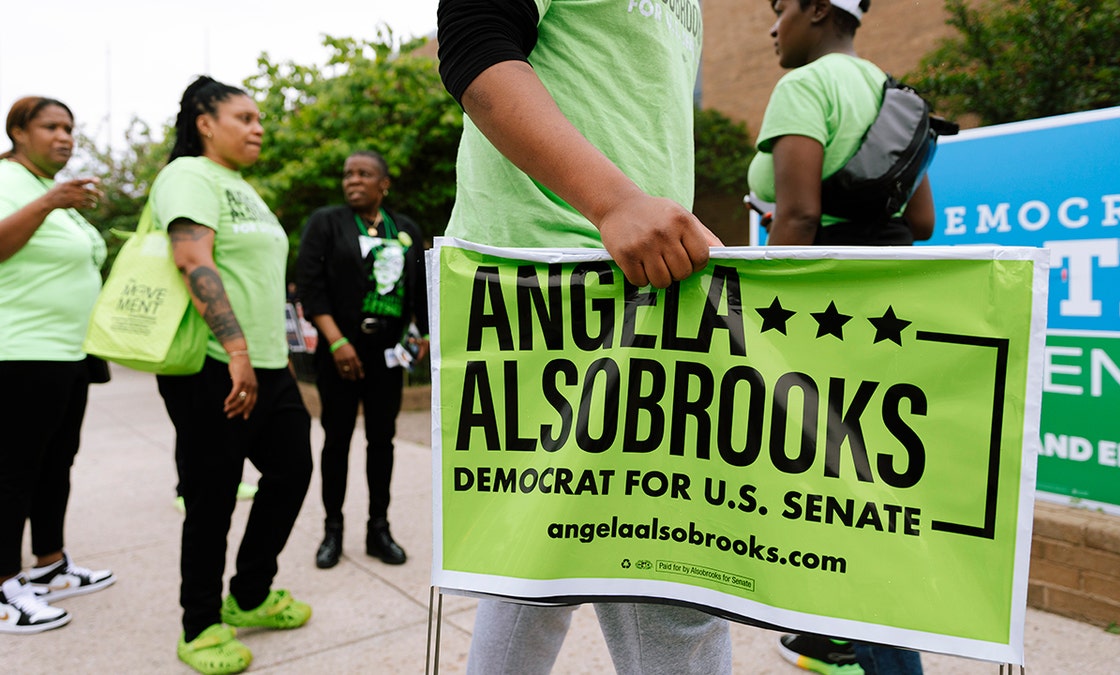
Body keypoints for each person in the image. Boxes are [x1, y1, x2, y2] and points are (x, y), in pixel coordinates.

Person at [437, 0, 730, 673]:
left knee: (535, 563)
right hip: (553, 285)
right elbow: (473, 44)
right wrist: (614, 203)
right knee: (673, 575)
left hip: (639, 290)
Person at [748, 1, 931, 673]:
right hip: (882, 311)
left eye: (780, 9)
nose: (771, 28)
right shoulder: (895, 93)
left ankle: (884, 659)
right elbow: (923, 218)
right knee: (855, 488)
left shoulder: (803, 85)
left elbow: (797, 216)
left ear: (819, 10)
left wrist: (755, 322)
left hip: (815, 315)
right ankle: (830, 637)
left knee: (833, 493)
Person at [152, 76, 313, 675]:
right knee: (212, 498)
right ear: (203, 120)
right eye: (243, 116)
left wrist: (271, 353)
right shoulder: (188, 176)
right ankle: (200, 626)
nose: (257, 127)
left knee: (294, 470)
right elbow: (193, 259)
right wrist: (238, 349)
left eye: (258, 118)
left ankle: (248, 594)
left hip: (269, 366)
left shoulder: (241, 185)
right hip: (217, 366)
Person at [0, 96, 115, 635]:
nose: (65, 136)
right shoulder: (9, 181)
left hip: (70, 352)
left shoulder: (58, 197)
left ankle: (50, 565)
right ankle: (2, 586)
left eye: (70, 127)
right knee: (13, 469)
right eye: (51, 126)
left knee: (55, 462)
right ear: (18, 132)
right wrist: (50, 202)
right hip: (22, 350)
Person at [295, 150, 429, 570]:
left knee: (381, 441)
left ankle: (378, 529)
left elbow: (419, 288)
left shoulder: (403, 228)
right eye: (348, 173)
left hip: (386, 354)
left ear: (383, 184)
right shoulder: (327, 223)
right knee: (336, 441)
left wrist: (421, 334)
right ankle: (332, 531)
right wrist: (336, 342)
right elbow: (310, 287)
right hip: (340, 351)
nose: (353, 180)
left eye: (364, 173)